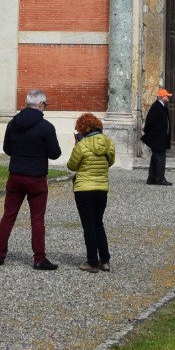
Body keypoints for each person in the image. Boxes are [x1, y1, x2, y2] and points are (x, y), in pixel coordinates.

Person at [0, 89, 62, 270]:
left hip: (15, 175)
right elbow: (55, 154)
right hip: (36, 178)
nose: (45, 108)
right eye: (45, 105)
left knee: (8, 216)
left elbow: (7, 149)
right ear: (40, 105)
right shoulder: (46, 127)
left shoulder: (13, 123)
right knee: (37, 219)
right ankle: (39, 258)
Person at [67, 112, 117, 273]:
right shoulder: (108, 142)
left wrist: (76, 146)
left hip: (84, 189)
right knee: (98, 223)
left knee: (88, 226)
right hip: (101, 187)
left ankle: (92, 262)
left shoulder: (82, 145)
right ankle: (105, 260)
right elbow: (111, 161)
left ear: (82, 128)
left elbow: (72, 166)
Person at [142, 87, 174, 186]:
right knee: (160, 157)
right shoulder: (157, 107)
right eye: (166, 96)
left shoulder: (161, 106)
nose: (168, 98)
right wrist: (150, 134)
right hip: (157, 138)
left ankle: (152, 178)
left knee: (156, 157)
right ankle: (160, 179)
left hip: (159, 137)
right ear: (161, 97)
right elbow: (150, 122)